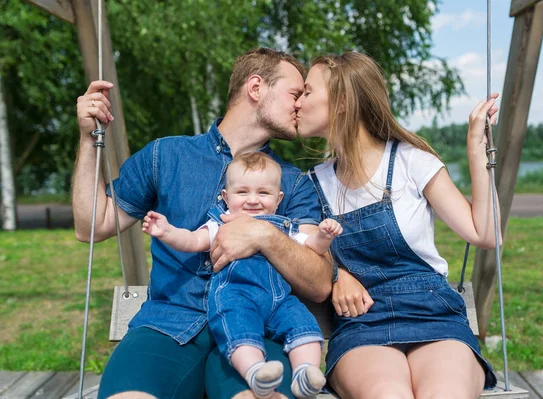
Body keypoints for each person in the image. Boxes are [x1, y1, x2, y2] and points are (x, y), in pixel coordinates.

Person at [73, 48, 333, 399]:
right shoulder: (165, 156)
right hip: (168, 327)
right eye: (294, 93)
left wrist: (261, 233)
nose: (301, 104)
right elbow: (91, 224)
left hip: (258, 331)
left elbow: (319, 284)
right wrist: (89, 139)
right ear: (255, 88)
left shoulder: (293, 184)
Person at [294, 51, 501, 398]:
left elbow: (484, 233)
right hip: (363, 322)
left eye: (307, 92)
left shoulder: (411, 161)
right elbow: (300, 246)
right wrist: (336, 273)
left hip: (434, 315)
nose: (298, 103)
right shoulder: (313, 184)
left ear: (342, 101)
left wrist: (475, 147)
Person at [141, 151, 343, 398]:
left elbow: (311, 246)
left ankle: (305, 373)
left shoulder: (282, 227)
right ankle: (254, 372)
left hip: (280, 300)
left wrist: (324, 235)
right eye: (242, 192)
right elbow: (193, 241)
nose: (253, 200)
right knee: (239, 331)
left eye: (263, 193)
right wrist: (167, 231)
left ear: (279, 199)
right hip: (236, 296)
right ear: (226, 196)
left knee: (304, 327)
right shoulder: (221, 223)